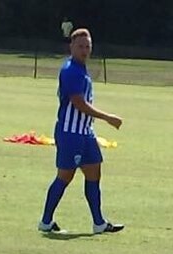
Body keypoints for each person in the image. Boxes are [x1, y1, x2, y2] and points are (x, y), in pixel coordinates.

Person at [38, 27, 122, 236]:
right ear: (71, 47)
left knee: (94, 171)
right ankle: (46, 222)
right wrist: (107, 117)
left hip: (85, 132)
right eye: (81, 46)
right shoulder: (71, 70)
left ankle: (99, 223)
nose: (85, 50)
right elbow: (78, 103)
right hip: (70, 133)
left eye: (88, 46)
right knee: (65, 176)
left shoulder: (81, 68)